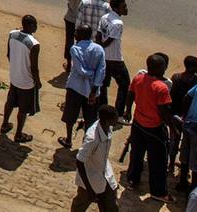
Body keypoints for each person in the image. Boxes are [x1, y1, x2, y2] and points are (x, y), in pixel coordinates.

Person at [125, 52, 179, 203]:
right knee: (159, 161)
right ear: (159, 68)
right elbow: (164, 112)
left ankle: (132, 181)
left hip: (137, 123)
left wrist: (127, 110)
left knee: (136, 153)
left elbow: (130, 94)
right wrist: (173, 130)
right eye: (163, 66)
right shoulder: (161, 88)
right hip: (154, 128)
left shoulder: (138, 78)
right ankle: (159, 192)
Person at [71, 105, 121, 212]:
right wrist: (89, 189)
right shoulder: (92, 138)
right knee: (79, 206)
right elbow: (80, 161)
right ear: (108, 121)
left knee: (111, 206)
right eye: (115, 119)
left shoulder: (108, 128)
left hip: (104, 174)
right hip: (90, 179)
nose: (117, 120)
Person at [63, 26, 106, 148]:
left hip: (75, 87)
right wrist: (95, 87)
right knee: (90, 118)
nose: (75, 33)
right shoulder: (99, 49)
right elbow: (101, 70)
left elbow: (80, 70)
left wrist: (90, 73)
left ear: (81, 35)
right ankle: (86, 143)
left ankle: (68, 139)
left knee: (70, 115)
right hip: (92, 90)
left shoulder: (75, 49)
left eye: (77, 32)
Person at [2, 15, 41, 143]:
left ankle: (5, 124)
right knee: (23, 110)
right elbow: (34, 67)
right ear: (30, 26)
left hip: (14, 76)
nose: (36, 27)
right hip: (26, 81)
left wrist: (16, 67)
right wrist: (38, 81)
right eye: (35, 24)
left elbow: (8, 54)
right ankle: (18, 134)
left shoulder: (12, 34)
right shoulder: (34, 44)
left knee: (10, 102)